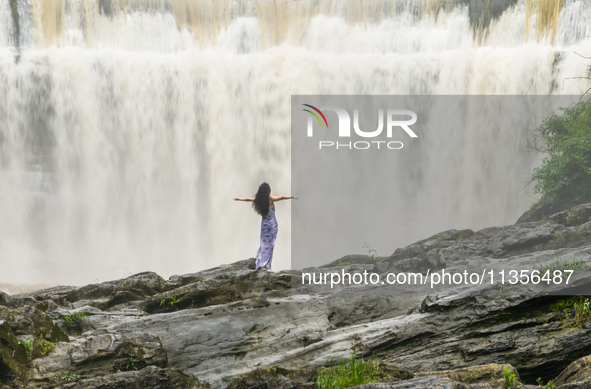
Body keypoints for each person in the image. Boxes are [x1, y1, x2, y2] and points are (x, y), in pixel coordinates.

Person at [233, 183, 297, 270]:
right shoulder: (270, 199)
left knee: (264, 245)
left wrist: (239, 199)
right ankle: (268, 265)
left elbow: (248, 199)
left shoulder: (259, 200)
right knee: (271, 245)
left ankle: (262, 264)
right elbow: (282, 197)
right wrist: (291, 197)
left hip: (264, 225)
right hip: (273, 225)